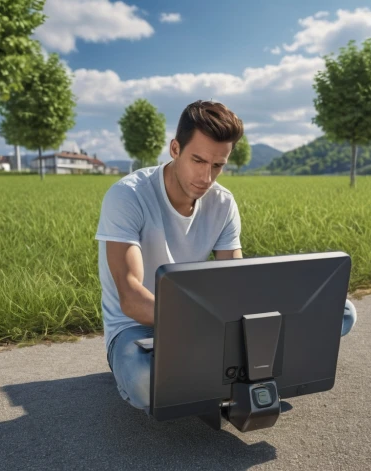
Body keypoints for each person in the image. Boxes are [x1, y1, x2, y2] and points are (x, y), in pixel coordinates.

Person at [95, 100, 357, 416]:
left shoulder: (222, 202)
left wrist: (235, 322)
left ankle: (217, 368)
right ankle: (237, 368)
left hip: (205, 323)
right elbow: (131, 297)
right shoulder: (128, 196)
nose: (206, 177)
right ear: (175, 149)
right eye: (198, 160)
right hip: (136, 328)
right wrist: (209, 326)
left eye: (217, 165)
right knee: (143, 379)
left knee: (341, 311)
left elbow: (236, 280)